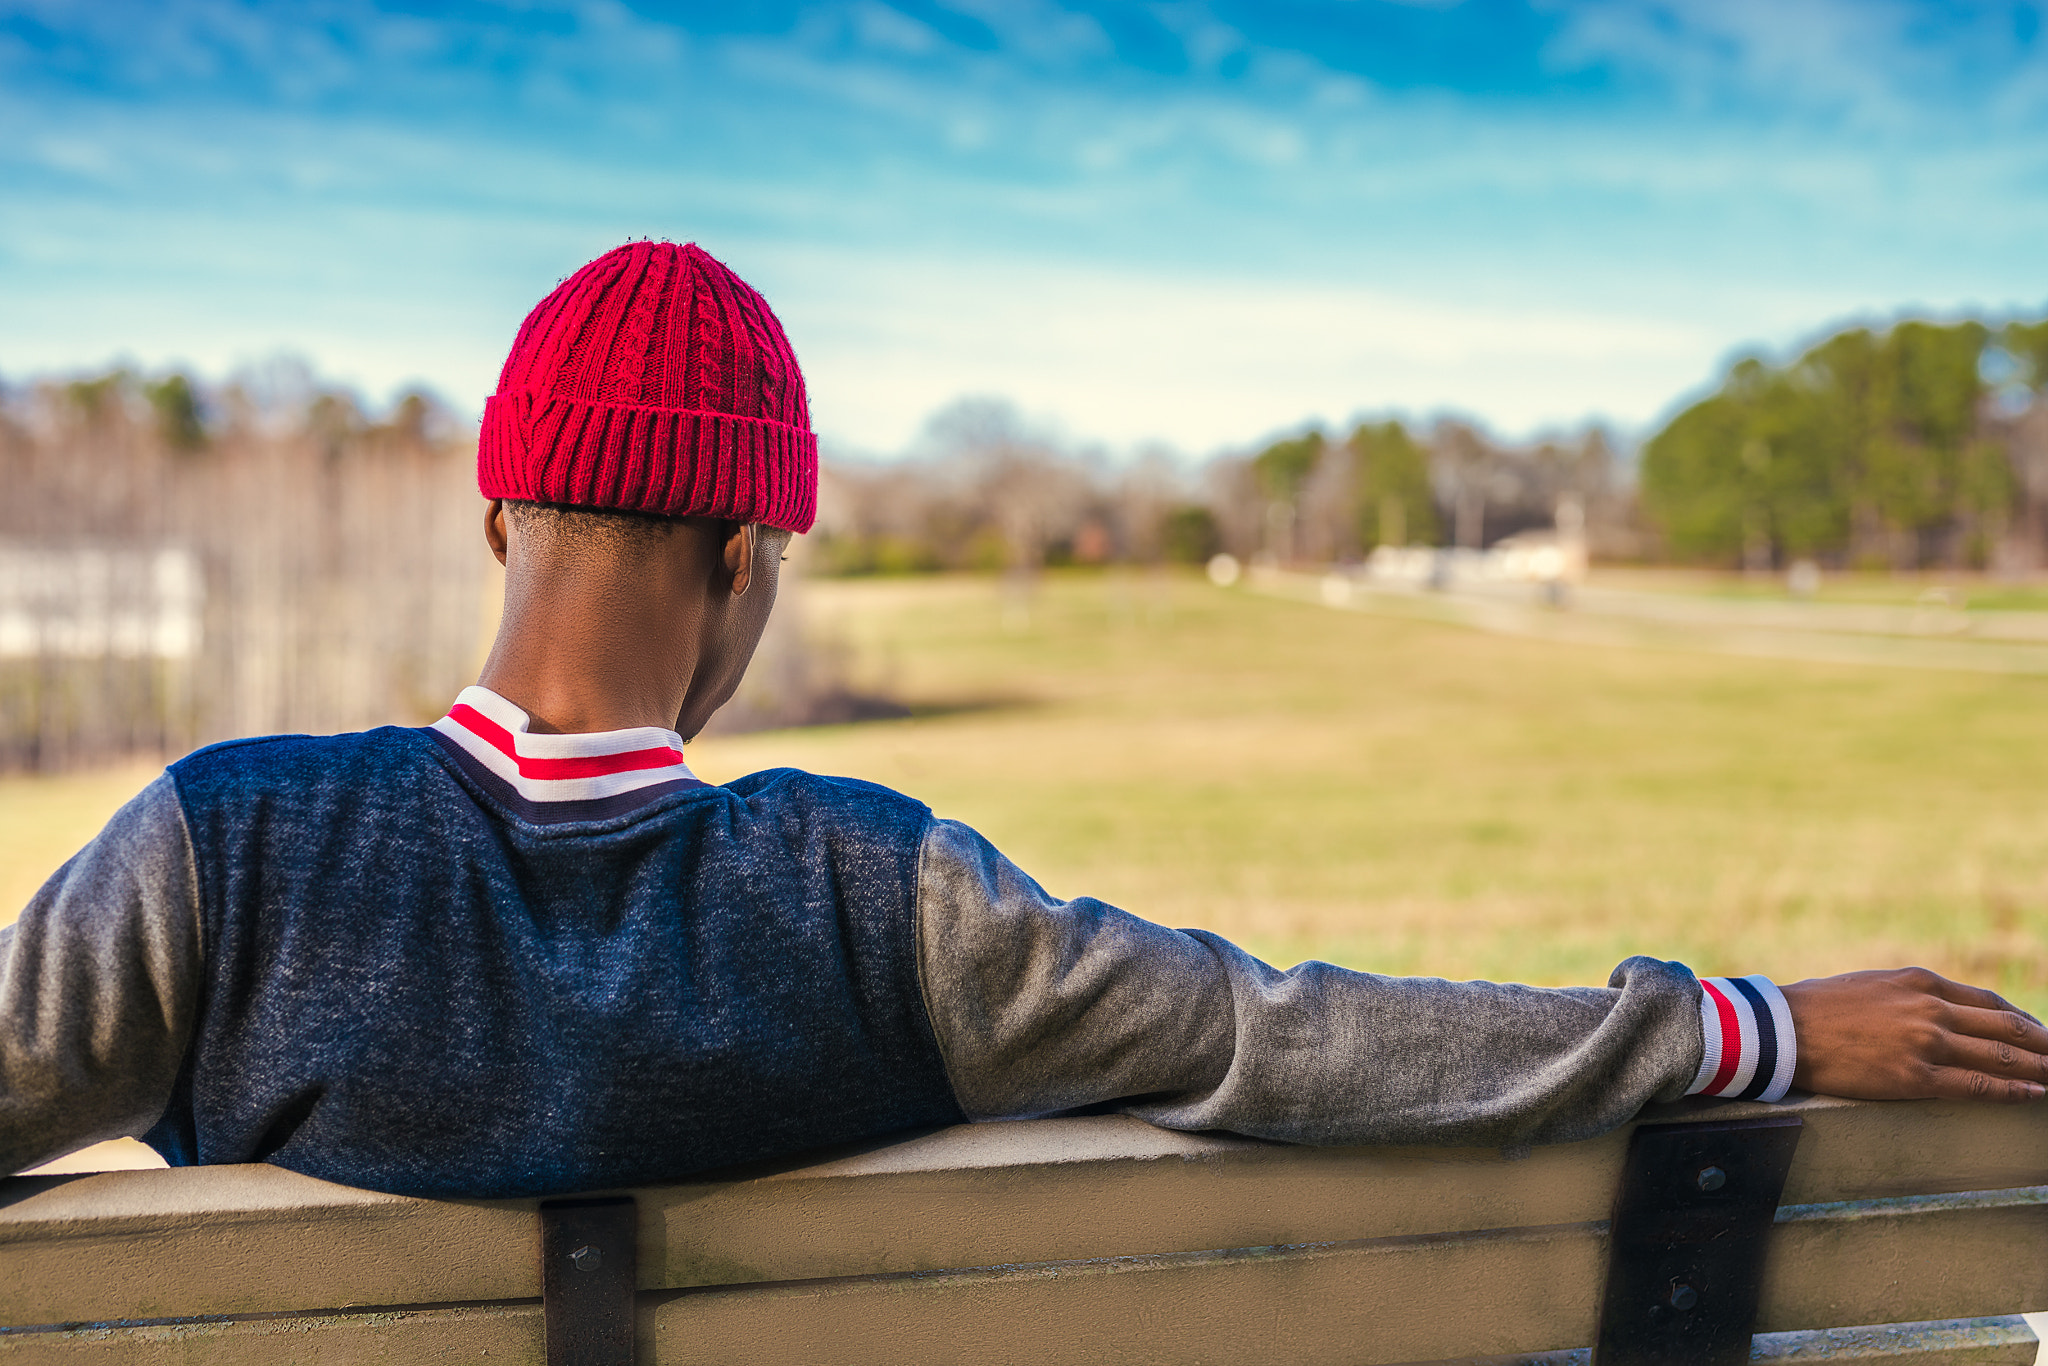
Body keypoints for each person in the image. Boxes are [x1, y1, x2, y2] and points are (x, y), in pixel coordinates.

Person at [3, 242, 2044, 1199]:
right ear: (749, 556)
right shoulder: (874, 896)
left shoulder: (225, 847)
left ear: (494, 520)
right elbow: (1288, 1038)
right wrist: (1748, 1020)